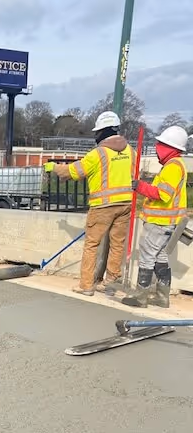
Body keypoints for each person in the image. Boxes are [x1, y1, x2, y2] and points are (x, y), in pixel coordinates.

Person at [44, 111, 136, 295]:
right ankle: (111, 282)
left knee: (92, 244)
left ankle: (86, 285)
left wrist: (54, 167)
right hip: (125, 204)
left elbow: (73, 172)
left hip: (103, 206)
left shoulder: (98, 154)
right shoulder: (131, 151)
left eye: (97, 132)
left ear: (103, 131)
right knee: (117, 244)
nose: (96, 136)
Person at [122, 126, 189, 309]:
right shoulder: (175, 165)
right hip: (167, 223)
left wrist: (140, 187)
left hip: (159, 223)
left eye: (160, 144)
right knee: (160, 258)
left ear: (169, 147)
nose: (157, 147)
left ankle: (140, 297)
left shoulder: (172, 167)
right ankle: (161, 297)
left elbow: (163, 194)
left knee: (147, 257)